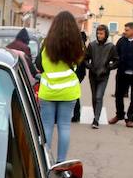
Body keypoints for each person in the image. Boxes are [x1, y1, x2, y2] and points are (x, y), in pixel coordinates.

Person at [36, 10, 85, 161]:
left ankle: (45, 161)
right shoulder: (78, 45)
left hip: (49, 91)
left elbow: (39, 64)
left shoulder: (46, 44)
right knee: (64, 127)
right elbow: (80, 66)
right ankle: (61, 162)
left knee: (47, 126)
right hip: (69, 91)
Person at [83, 24, 117, 128]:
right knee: (94, 97)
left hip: (104, 76)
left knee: (99, 96)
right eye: (98, 33)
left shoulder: (111, 47)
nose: (99, 35)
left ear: (106, 34)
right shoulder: (92, 45)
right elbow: (85, 58)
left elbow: (116, 60)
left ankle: (96, 120)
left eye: (101, 33)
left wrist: (108, 68)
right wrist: (89, 66)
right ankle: (95, 115)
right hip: (92, 75)